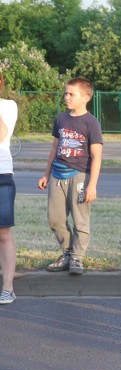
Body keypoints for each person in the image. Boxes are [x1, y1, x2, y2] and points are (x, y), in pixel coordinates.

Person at [37, 77, 103, 276]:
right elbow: (55, 148)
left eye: (71, 94)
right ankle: (66, 253)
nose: (66, 97)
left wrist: (92, 186)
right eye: (65, 93)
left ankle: (77, 258)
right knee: (55, 219)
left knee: (80, 220)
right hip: (57, 174)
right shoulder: (61, 118)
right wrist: (46, 174)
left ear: (85, 97)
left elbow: (96, 156)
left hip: (80, 176)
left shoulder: (91, 123)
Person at [0, 72, 18, 304]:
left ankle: (8, 287)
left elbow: (1, 134)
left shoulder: (8, 106)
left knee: (3, 232)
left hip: (2, 174)